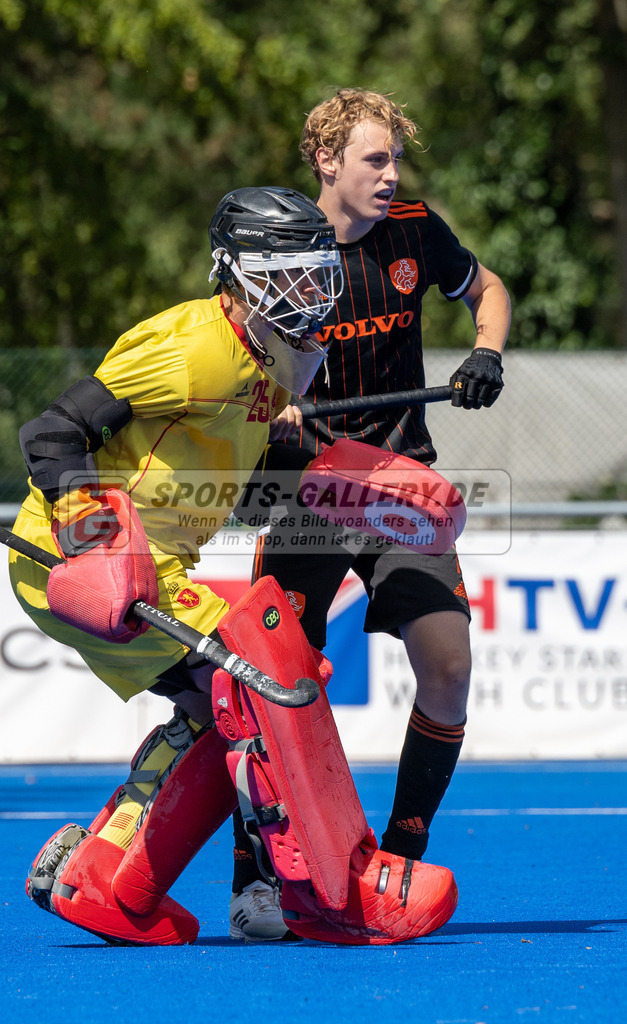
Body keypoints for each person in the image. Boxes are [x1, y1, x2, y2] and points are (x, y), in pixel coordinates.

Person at [8, 185, 343, 945]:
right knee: (261, 691)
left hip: (160, 571)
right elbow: (53, 433)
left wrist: (338, 476)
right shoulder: (191, 346)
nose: (310, 289)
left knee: (217, 703)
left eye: (315, 270)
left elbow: (244, 487)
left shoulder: (272, 366)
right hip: (77, 564)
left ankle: (98, 862)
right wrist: (89, 539)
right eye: (289, 270)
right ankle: (301, 891)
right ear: (237, 273)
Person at [228, 88, 512, 941]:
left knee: (448, 663)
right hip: (307, 490)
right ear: (325, 162)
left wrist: (485, 351)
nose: (390, 175)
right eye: (372, 160)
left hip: (397, 485)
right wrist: (268, 407)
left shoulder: (416, 232)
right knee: (266, 688)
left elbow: (485, 286)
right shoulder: (278, 249)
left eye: (394, 160)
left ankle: (399, 848)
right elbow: (236, 366)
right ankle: (256, 875)